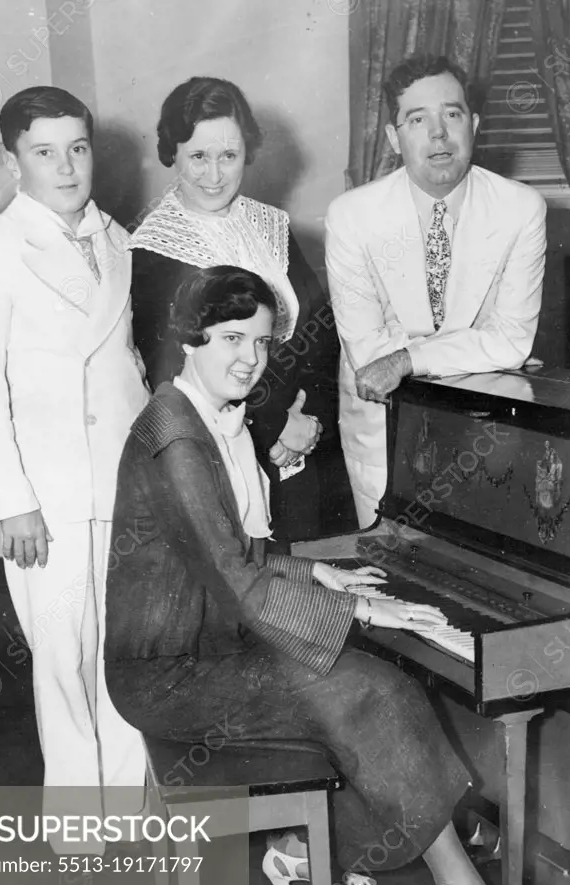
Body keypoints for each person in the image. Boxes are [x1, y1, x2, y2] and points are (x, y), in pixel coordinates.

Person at [104, 265, 503, 885]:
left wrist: (319, 570)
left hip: (212, 641)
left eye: (261, 344)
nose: (250, 361)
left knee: (363, 689)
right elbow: (238, 580)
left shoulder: (206, 416)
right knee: (372, 691)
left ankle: (304, 847)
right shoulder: (175, 436)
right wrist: (369, 613)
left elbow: (236, 556)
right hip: (167, 672)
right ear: (190, 339)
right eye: (232, 339)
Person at [0, 86, 150, 852]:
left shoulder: (115, 237)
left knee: (125, 648)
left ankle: (127, 816)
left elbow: (125, 362)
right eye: (44, 151)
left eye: (77, 147)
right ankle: (79, 829)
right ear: (13, 161)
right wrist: (13, 501)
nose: (65, 166)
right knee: (62, 657)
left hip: (124, 480)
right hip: (49, 493)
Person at [129, 76, 356, 543]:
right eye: (198, 156)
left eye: (228, 156)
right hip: (224, 448)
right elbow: (170, 372)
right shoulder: (153, 250)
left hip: (305, 439)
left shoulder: (269, 224)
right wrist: (274, 425)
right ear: (172, 153)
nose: (214, 174)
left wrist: (305, 419)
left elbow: (318, 328)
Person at [325, 54, 547, 529]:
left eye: (452, 114)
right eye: (417, 119)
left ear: (474, 124)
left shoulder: (521, 209)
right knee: (396, 574)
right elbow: (368, 357)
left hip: (485, 435)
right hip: (384, 435)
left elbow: (511, 340)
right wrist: (479, 352)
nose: (439, 133)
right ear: (393, 137)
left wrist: (407, 360)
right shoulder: (352, 216)